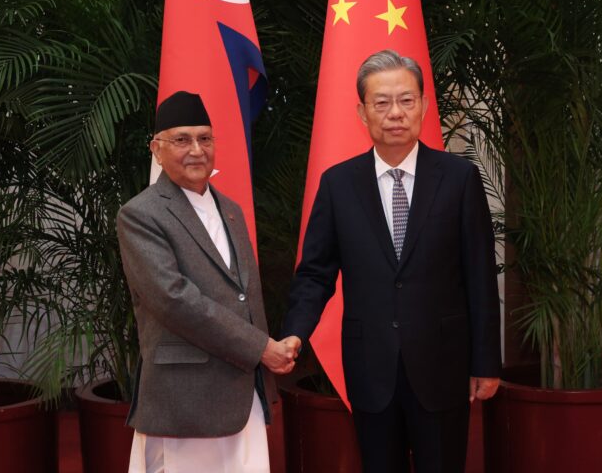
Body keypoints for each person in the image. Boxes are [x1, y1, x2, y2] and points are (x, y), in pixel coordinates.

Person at [281, 50, 502, 473]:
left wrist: (486, 362)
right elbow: (315, 273)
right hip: (371, 366)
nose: (395, 113)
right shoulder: (338, 184)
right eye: (381, 102)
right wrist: (295, 332)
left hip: (443, 364)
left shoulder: (459, 178)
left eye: (406, 100)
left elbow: (480, 276)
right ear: (362, 112)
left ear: (423, 105)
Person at [117, 91, 299, 473]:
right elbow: (174, 301)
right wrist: (261, 348)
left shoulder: (231, 210)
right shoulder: (140, 215)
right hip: (186, 400)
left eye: (205, 138)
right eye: (182, 140)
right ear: (156, 149)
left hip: (243, 393)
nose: (197, 150)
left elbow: (243, 296)